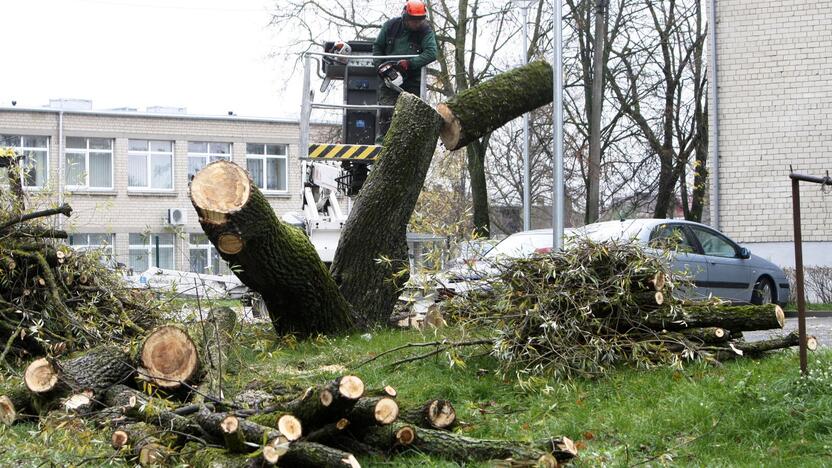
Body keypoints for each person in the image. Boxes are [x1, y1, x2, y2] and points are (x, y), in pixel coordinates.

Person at [373, 0, 438, 143]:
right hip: (389, 78)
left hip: (412, 79)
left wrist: (410, 63)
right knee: (387, 110)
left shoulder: (425, 30)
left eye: (419, 20)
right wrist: (380, 67)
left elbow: (432, 53)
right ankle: (383, 142)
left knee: (411, 112)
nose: (417, 23)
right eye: (414, 20)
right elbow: (377, 47)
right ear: (406, 17)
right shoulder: (390, 26)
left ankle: (407, 144)